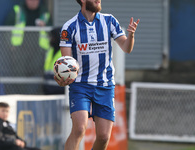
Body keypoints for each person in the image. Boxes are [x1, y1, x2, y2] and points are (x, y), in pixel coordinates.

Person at [54, 0, 140, 150]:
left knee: (103, 137)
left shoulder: (110, 20)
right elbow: (67, 64)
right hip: (81, 85)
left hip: (105, 85)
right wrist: (63, 78)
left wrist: (131, 35)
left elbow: (127, 48)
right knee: (79, 129)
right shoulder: (69, 27)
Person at [43, 27, 64, 94]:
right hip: (48, 88)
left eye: (52, 37)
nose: (50, 39)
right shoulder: (50, 51)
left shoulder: (65, 53)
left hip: (60, 90)